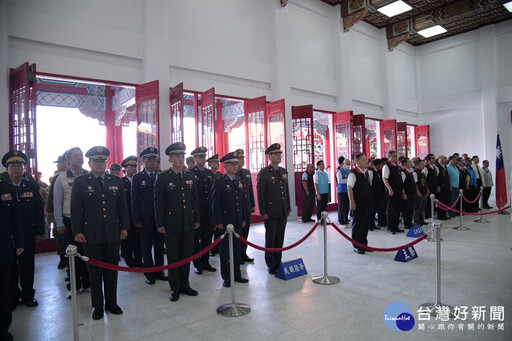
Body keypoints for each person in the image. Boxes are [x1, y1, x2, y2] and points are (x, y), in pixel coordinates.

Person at [71, 146, 129, 320]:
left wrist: (124, 227)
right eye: (95, 161)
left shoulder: (116, 181)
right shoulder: (81, 182)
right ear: (89, 163)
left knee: (112, 270)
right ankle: (97, 305)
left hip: (112, 233)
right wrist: (77, 231)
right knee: (95, 272)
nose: (99, 164)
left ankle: (112, 303)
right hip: (91, 234)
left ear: (106, 162)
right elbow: (75, 210)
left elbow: (122, 208)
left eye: (102, 161)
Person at [155, 142, 200, 302]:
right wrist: (159, 223)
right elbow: (159, 203)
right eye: (177, 156)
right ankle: (175, 287)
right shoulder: (163, 178)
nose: (181, 159)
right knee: (174, 257)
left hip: (188, 222)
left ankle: (185, 284)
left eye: (182, 156)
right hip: (171, 224)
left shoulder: (189, 176)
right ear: (170, 159)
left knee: (186, 255)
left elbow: (194, 200)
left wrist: (196, 219)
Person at [3, 151, 44, 309]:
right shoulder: (3, 188)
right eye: (12, 166)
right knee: (11, 267)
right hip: (8, 236)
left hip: (28, 233)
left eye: (19, 165)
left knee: (27, 266)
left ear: (24, 168)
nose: (16, 169)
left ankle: (28, 295)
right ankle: (12, 296)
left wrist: (40, 232)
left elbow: (39, 210)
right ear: (7, 169)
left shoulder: (31, 185)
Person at [53, 147, 90, 298]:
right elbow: (57, 202)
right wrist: (59, 222)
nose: (80, 158)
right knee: (73, 254)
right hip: (69, 221)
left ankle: (88, 283)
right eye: (76, 156)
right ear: (68, 160)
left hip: (88, 220)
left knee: (88, 253)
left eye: (81, 156)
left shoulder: (89, 175)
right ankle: (74, 286)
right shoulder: (62, 178)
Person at [212, 151, 249, 287]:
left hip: (238, 220)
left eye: (236, 163)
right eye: (232, 164)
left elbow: (242, 202)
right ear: (225, 166)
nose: (236, 166)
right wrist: (218, 221)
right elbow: (215, 204)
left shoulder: (238, 181)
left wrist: (243, 217)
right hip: (225, 222)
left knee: (236, 249)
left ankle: (237, 274)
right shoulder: (219, 182)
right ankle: (227, 276)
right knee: (226, 250)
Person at [132, 147, 167, 285]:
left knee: (159, 247)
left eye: (154, 159)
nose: (152, 161)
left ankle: (159, 271)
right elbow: (134, 200)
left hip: (160, 220)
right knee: (146, 248)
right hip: (145, 220)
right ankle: (149, 273)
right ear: (143, 161)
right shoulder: (137, 178)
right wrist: (136, 219)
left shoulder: (162, 176)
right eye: (149, 159)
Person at [257, 143, 291, 275]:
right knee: (270, 238)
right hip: (271, 211)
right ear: (269, 156)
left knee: (280, 237)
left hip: (282, 210)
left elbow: (286, 191)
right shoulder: (264, 173)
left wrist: (287, 207)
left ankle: (278, 260)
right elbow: (261, 193)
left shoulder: (283, 172)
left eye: (280, 154)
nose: (279, 156)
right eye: (276, 154)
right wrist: (263, 211)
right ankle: (270, 263)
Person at [0, 174, 24, 341]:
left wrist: (20, 243)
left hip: (3, 250)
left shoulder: (7, 189)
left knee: (3, 292)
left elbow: (17, 220)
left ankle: (2, 330)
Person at [190, 147, 217, 274]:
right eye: (199, 157)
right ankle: (197, 263)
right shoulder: (190, 173)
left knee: (207, 238)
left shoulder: (209, 173)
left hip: (208, 212)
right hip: (196, 213)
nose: (202, 159)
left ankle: (206, 262)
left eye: (203, 156)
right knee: (196, 240)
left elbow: (212, 194)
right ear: (194, 159)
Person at [347, 153, 373, 255]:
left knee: (365, 224)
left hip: (367, 203)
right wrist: (352, 203)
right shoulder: (353, 173)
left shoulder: (366, 173)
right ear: (357, 162)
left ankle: (364, 244)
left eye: (366, 159)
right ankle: (357, 246)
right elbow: (349, 188)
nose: (366, 161)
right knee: (358, 225)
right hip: (358, 204)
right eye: (363, 160)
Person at [46, 154, 69, 270]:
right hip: (58, 212)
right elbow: (51, 196)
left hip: (69, 212)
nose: (57, 165)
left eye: (59, 163)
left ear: (65, 162)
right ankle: (62, 258)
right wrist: (49, 210)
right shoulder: (57, 177)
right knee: (59, 236)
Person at [120, 156, 142, 268]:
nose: (134, 169)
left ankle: (139, 260)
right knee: (127, 240)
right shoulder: (121, 182)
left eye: (135, 166)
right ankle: (128, 259)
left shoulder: (139, 180)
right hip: (126, 216)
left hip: (138, 215)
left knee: (138, 240)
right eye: (131, 166)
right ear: (125, 168)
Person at [235, 149, 256, 264]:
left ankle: (243, 253)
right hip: (238, 208)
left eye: (242, 158)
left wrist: (252, 204)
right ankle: (237, 255)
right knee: (238, 232)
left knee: (246, 232)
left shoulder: (246, 172)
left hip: (247, 207)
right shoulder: (233, 173)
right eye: (239, 158)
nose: (241, 160)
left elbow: (250, 190)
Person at [382, 151, 404, 234]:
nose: (396, 158)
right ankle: (390, 227)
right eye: (394, 156)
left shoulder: (397, 167)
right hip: (391, 191)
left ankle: (396, 226)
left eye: (396, 156)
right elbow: (385, 178)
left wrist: (402, 190)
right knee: (391, 209)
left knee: (397, 208)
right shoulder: (386, 166)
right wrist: (389, 189)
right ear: (389, 157)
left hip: (398, 190)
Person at [207, 154, 222, 256]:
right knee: (210, 230)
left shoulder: (220, 175)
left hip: (219, 205)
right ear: (209, 164)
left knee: (219, 229)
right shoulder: (207, 174)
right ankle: (209, 248)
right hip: (209, 205)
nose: (217, 164)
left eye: (218, 162)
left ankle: (217, 247)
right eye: (215, 162)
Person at [368, 158, 385, 229]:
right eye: (380, 165)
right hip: (372, 194)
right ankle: (370, 225)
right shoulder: (371, 171)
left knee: (375, 209)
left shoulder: (377, 171)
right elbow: (369, 183)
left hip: (378, 193)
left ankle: (373, 225)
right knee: (372, 209)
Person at [400, 158, 416, 229]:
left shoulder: (410, 171)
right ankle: (406, 223)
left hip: (412, 193)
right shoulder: (403, 172)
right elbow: (402, 184)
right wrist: (403, 193)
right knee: (406, 209)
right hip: (407, 193)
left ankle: (410, 222)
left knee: (411, 209)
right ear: (405, 164)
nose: (411, 164)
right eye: (409, 163)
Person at [424, 153, 439, 221]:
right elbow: (425, 179)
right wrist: (427, 188)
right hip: (429, 188)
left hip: (434, 187)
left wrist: (437, 186)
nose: (434, 160)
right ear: (428, 160)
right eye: (432, 159)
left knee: (433, 202)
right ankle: (428, 216)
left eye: (434, 158)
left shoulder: (434, 167)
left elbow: (436, 177)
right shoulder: (426, 168)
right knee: (428, 203)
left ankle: (432, 214)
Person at [413, 158, 429, 226]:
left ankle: (422, 220)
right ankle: (416, 220)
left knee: (422, 208)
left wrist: (427, 189)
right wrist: (418, 192)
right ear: (417, 165)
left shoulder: (423, 173)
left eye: (423, 164)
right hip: (419, 192)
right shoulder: (415, 173)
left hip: (424, 192)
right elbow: (415, 183)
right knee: (417, 208)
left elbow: (426, 182)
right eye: (421, 164)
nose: (423, 166)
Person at [335, 158, 349, 227]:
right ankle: (341, 221)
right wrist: (348, 181)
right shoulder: (339, 171)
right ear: (343, 164)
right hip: (341, 191)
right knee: (342, 207)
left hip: (347, 191)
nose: (348, 166)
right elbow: (340, 181)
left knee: (347, 207)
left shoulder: (348, 171)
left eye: (349, 164)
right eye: (347, 164)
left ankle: (346, 220)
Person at [436, 155, 450, 220]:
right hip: (441, 187)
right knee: (441, 201)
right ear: (438, 159)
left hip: (446, 187)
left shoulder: (445, 167)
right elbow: (436, 177)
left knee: (445, 201)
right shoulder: (437, 167)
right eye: (442, 159)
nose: (444, 160)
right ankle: (440, 215)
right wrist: (438, 186)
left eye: (444, 158)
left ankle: (444, 214)